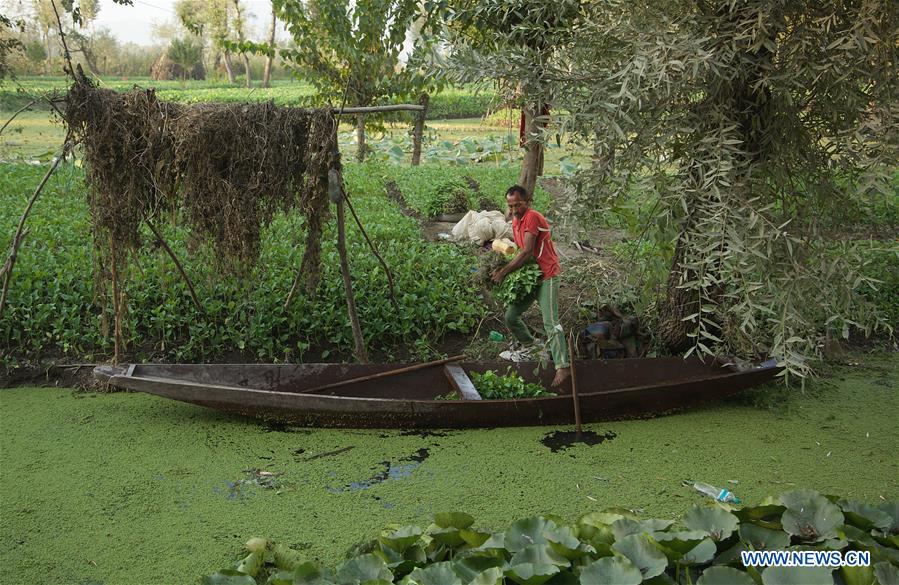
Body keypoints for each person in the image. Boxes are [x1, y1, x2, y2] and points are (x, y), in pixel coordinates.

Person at [491, 185, 571, 390]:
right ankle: (533, 349)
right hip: (532, 277)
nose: (514, 209)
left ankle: (563, 366)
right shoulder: (516, 220)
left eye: (518, 204)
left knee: (550, 322)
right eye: (511, 206)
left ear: (527, 201)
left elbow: (526, 251)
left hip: (547, 275)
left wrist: (504, 272)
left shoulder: (533, 217)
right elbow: (519, 250)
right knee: (511, 316)